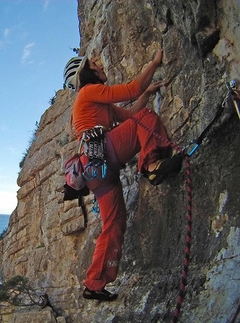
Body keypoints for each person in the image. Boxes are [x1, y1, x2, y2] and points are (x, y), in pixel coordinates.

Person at [71, 49, 183, 301]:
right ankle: (151, 166)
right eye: (94, 63)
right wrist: (154, 62)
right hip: (103, 155)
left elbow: (130, 114)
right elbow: (132, 93)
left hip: (95, 170)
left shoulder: (97, 102)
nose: (100, 64)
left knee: (114, 223)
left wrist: (147, 92)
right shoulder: (88, 91)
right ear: (87, 72)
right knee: (147, 117)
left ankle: (94, 284)